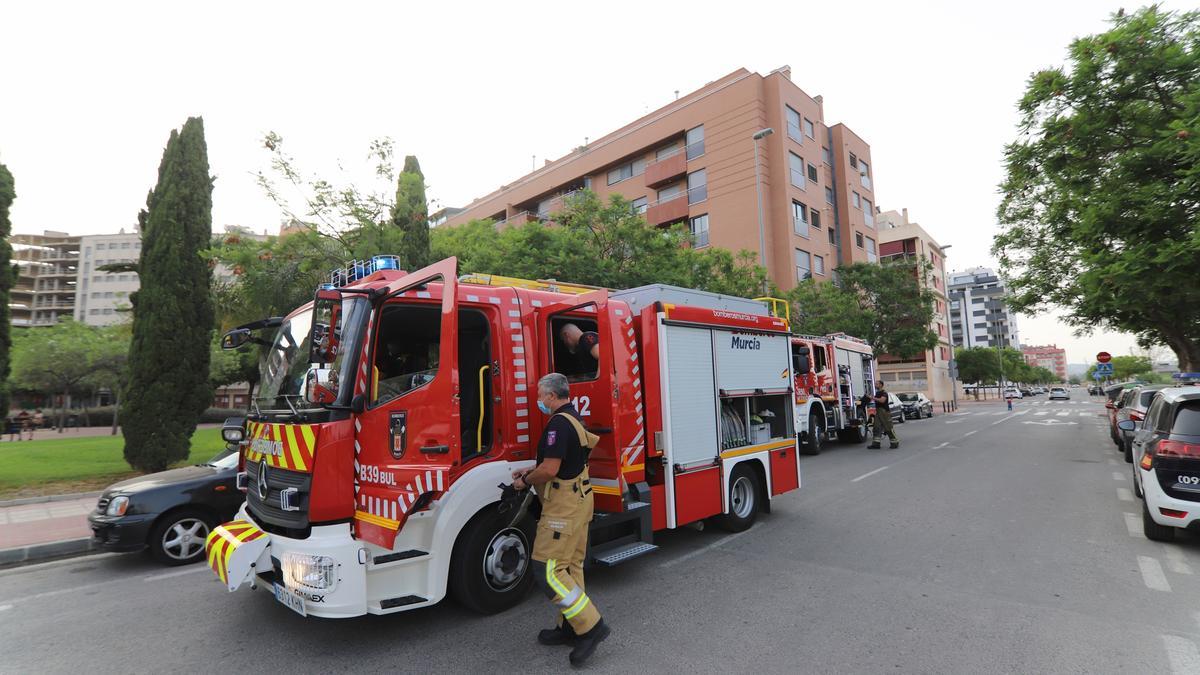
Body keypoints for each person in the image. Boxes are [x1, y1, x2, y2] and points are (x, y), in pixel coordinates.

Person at [511, 373, 610, 666]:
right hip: (580, 502)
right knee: (571, 566)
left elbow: (551, 469)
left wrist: (525, 480)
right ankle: (570, 627)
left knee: (547, 569)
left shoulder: (557, 424)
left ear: (552, 396)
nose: (539, 401)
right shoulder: (573, 418)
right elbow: (564, 461)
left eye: (541, 396)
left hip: (563, 508)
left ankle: (591, 627)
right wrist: (534, 468)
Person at [867, 380, 899, 449]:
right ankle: (876, 443)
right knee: (876, 427)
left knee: (888, 427)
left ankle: (895, 442)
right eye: (875, 384)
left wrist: (872, 398)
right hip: (878, 411)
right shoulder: (878, 393)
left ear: (881, 385)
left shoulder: (884, 393)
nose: (875, 385)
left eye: (877, 384)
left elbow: (882, 400)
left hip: (884, 412)